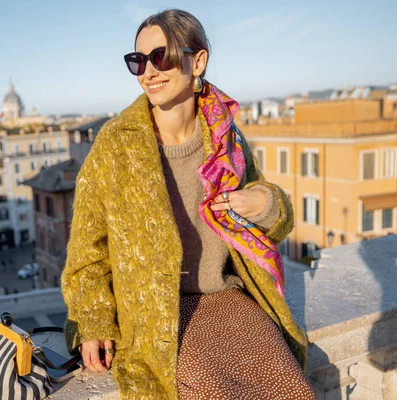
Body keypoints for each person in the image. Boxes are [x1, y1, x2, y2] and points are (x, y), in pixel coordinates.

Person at [61, 9, 315, 400]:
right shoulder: (116, 144)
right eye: (138, 61)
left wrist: (263, 201)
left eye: (160, 57)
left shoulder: (225, 135)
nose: (149, 71)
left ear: (197, 61)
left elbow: (272, 225)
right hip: (156, 316)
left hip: (227, 297)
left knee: (292, 388)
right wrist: (92, 322)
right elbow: (87, 249)